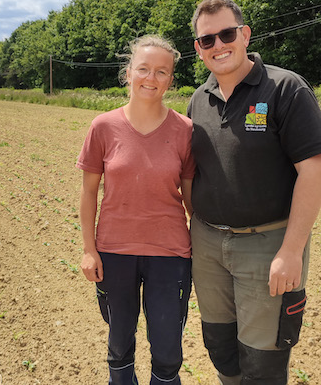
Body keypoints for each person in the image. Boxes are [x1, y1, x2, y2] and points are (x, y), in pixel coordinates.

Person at [187, 0, 321, 385]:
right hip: (208, 244)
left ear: (245, 34)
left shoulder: (286, 89)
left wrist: (291, 250)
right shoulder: (198, 101)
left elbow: (314, 170)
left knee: (263, 360)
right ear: (198, 49)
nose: (218, 45)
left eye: (227, 34)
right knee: (220, 346)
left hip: (268, 244)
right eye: (207, 40)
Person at [76, 35, 195, 385]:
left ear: (170, 79)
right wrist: (88, 250)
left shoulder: (185, 130)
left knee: (167, 349)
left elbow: (191, 200)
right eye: (143, 69)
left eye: (161, 71)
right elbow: (87, 193)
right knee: (119, 343)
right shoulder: (103, 126)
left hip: (170, 254)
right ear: (128, 73)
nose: (151, 78)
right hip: (115, 253)